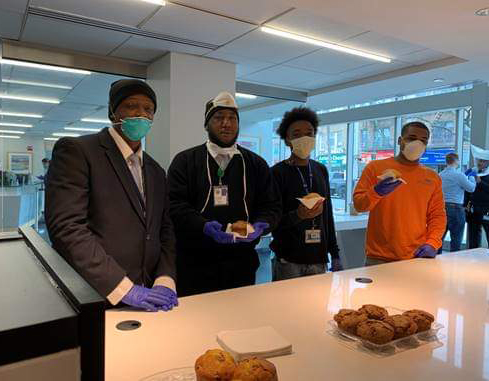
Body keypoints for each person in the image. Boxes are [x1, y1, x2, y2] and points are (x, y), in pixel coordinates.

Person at [46, 79, 177, 312]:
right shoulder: (79, 152)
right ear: (112, 112)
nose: (141, 114)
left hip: (150, 298)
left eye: (148, 109)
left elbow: (164, 229)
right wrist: (122, 287)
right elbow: (67, 228)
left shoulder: (156, 171)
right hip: (97, 295)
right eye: (131, 106)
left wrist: (165, 279)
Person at [168, 91, 281, 296]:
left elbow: (271, 205)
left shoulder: (256, 164)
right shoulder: (185, 161)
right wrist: (203, 227)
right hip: (194, 264)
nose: (226, 124)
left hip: (242, 264)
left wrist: (261, 225)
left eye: (232, 118)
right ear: (206, 124)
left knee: (239, 322)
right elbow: (174, 205)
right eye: (219, 118)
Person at [353, 121, 446, 265]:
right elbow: (359, 205)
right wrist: (376, 192)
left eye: (423, 141)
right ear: (399, 140)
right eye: (411, 138)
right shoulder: (375, 168)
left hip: (416, 256)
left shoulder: (432, 177)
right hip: (379, 257)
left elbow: (437, 215)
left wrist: (433, 243)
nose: (417, 144)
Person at [270, 107, 342, 281]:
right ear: (287, 140)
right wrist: (298, 215)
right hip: (288, 259)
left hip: (318, 257)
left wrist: (335, 253)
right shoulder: (276, 173)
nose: (304, 138)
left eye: (309, 133)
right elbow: (272, 221)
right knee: (287, 307)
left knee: (316, 307)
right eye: (296, 134)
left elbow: (327, 214)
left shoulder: (320, 169)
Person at [438, 153, 475, 252]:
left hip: (441, 208)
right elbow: (471, 188)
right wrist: (471, 177)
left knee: (439, 239)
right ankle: (454, 264)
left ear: (446, 161)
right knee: (456, 240)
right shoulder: (459, 175)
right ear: (456, 161)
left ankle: (435, 263)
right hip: (456, 209)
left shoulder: (440, 175)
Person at [466, 145, 489, 248]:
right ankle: (473, 257)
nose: (479, 163)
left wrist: (480, 183)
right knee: (473, 236)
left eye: (482, 161)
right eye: (479, 160)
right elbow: (467, 188)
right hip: (473, 210)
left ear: (487, 162)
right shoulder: (472, 172)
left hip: (486, 211)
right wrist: (465, 204)